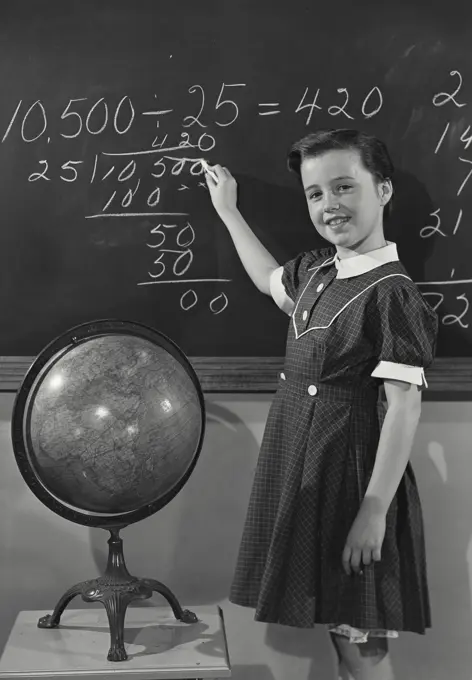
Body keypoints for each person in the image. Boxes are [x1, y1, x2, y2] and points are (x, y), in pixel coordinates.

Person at [204, 128, 438, 680]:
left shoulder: (392, 291)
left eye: (343, 187)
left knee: (362, 637)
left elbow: (404, 409)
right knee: (339, 627)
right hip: (307, 467)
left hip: (355, 476)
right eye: (315, 194)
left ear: (382, 190)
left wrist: (375, 510)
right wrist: (228, 212)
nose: (329, 206)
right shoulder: (316, 271)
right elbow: (267, 281)